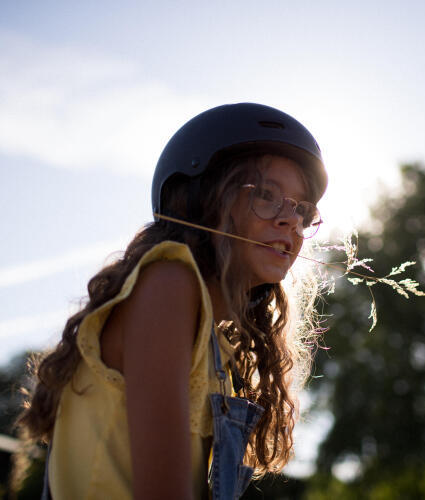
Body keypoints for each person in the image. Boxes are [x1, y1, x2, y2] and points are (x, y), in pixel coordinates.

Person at [16, 103, 328, 499]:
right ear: (202, 201)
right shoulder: (168, 283)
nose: (290, 220)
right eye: (266, 195)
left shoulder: (216, 343)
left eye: (303, 209)